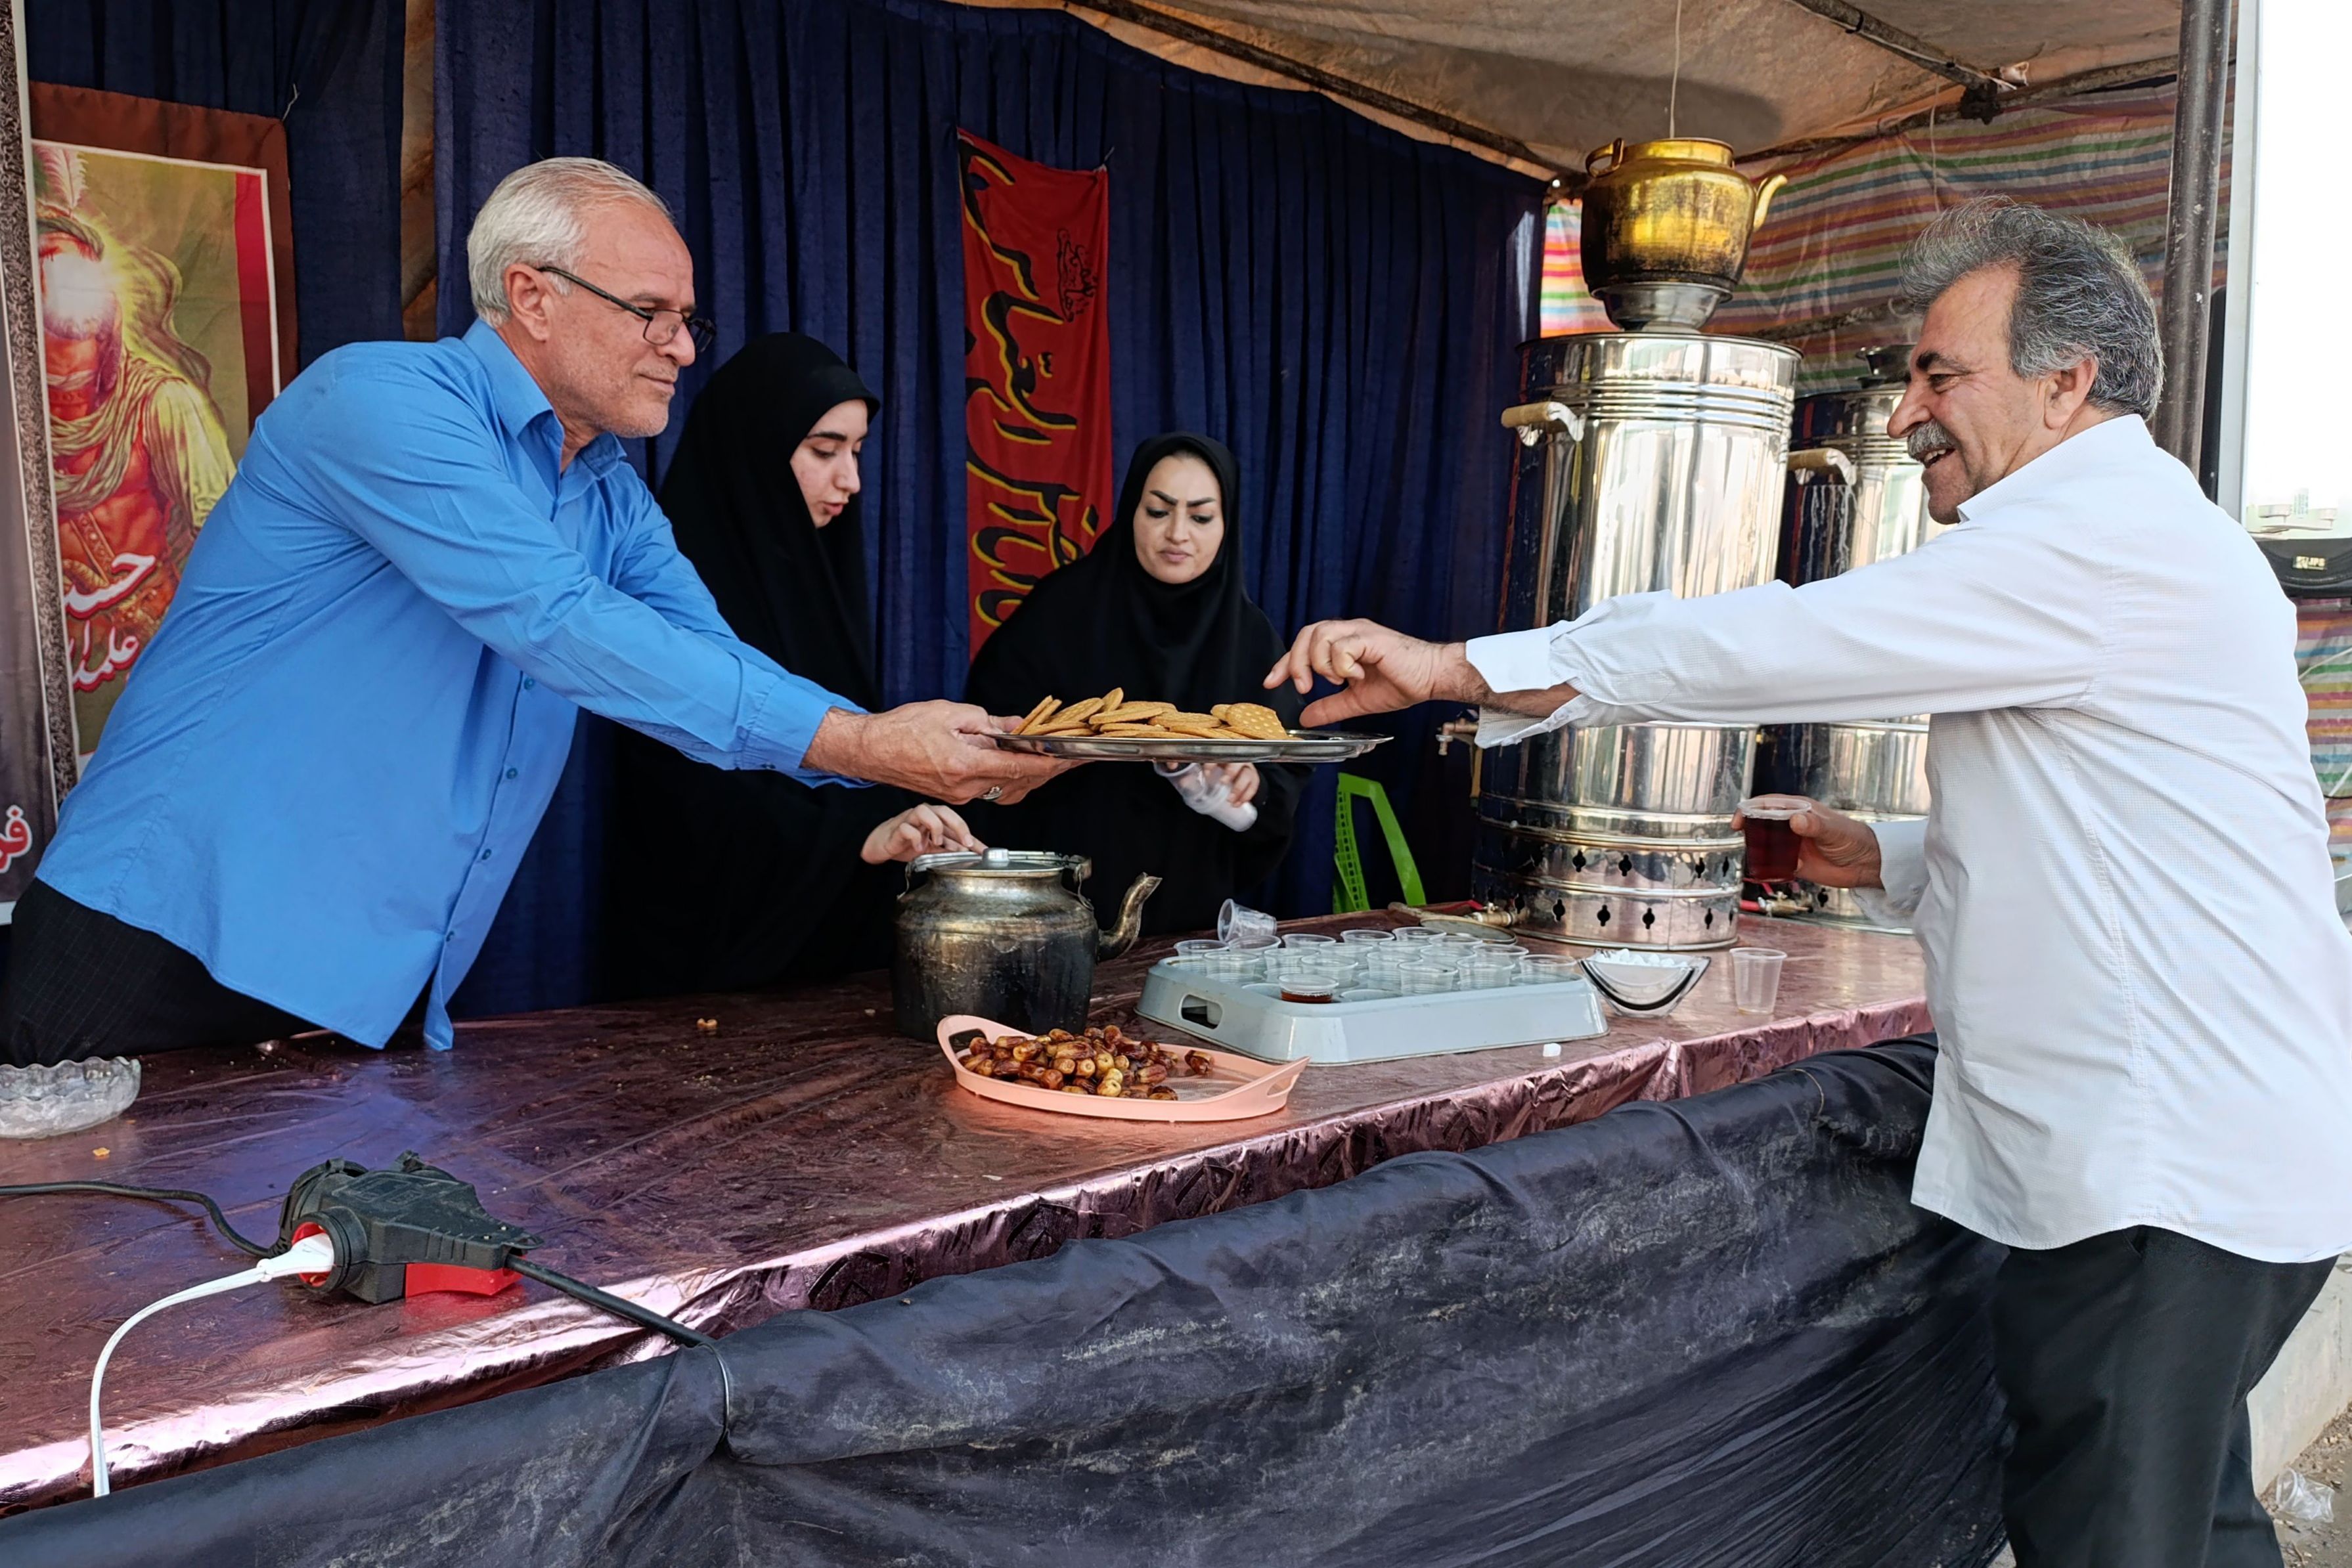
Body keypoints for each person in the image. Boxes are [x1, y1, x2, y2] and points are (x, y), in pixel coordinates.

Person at [1264, 198, 2352, 1567]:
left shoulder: (2093, 542)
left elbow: (1776, 642)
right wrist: (1876, 853)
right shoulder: (2142, 537)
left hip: (2157, 1177)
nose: (1904, 416)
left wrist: (1463, 664)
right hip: (2208, 1159)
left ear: (2065, 383)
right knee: (2187, 1523)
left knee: (2116, 1541)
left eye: (1938, 376)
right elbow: (2128, 845)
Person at [0, 157, 1062, 1089]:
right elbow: (558, 619)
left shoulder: (609, 494)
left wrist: (916, 754)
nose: (682, 347)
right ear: (532, 296)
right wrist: (872, 744)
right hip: (154, 941)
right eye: (652, 311)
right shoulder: (379, 402)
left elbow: (714, 663)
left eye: (688, 318)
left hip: (354, 995)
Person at [602, 333, 977, 995]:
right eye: (824, 451)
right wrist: (855, 837)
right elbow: (685, 795)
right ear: (756, 449)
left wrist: (904, 822)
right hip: (705, 981)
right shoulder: (673, 579)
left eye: (856, 452)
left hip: (834, 957)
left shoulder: (819, 572)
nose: (851, 481)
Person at [965, 433, 1305, 935]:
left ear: (1226, 526)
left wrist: (1223, 791)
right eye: (1158, 511)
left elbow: (1274, 796)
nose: (1177, 534)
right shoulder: (1057, 614)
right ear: (1130, 512)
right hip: (1050, 914)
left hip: (1188, 924)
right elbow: (984, 753)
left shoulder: (1250, 639)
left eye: (1201, 516)